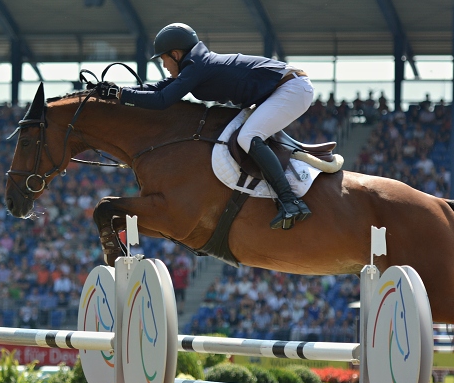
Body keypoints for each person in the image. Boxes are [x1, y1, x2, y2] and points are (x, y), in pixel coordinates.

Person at [104, 23, 315, 229]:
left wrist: (121, 95)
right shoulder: (195, 65)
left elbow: (162, 100)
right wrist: (118, 91)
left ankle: (291, 201)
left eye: (163, 59)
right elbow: (160, 87)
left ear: (175, 54)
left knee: (247, 137)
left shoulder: (197, 66)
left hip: (291, 88)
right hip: (283, 89)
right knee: (244, 135)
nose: (164, 66)